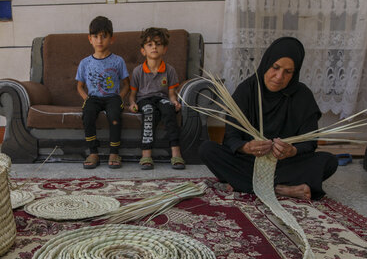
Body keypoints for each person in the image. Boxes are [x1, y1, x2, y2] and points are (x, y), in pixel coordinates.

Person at [199, 37, 338, 200]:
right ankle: (282, 189)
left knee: (329, 161)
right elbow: (231, 138)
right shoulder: (246, 91)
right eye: (276, 67)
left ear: (295, 72)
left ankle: (243, 183)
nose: (279, 76)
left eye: (288, 72)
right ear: (267, 63)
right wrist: (247, 147)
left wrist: (292, 151)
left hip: (283, 164)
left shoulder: (303, 96)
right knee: (207, 150)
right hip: (250, 161)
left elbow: (310, 143)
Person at [76, 16, 130, 169]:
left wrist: (120, 98)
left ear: (111, 39)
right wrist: (86, 98)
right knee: (87, 115)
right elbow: (79, 86)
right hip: (93, 98)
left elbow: (127, 84)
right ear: (90, 39)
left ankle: (114, 152)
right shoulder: (85, 62)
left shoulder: (118, 61)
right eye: (95, 36)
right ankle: (93, 152)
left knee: (114, 116)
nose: (99, 40)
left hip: (112, 97)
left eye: (104, 36)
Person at [128, 27, 185, 170]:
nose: (154, 47)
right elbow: (133, 95)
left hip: (161, 99)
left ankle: (176, 152)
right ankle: (146, 154)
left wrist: (175, 102)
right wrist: (132, 104)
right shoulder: (137, 71)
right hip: (144, 100)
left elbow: (171, 94)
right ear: (143, 50)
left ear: (164, 49)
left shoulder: (170, 70)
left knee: (169, 108)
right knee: (148, 111)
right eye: (150, 45)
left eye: (158, 44)